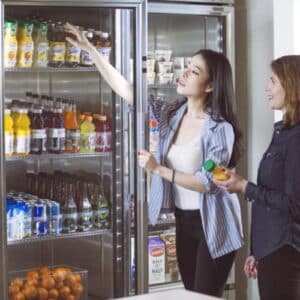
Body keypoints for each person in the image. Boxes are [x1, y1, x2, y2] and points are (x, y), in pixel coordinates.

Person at [64, 23, 244, 297]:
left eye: (194, 71)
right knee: (189, 293)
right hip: (184, 221)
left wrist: (158, 169)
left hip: (216, 224)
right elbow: (126, 89)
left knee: (204, 296)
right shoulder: (171, 114)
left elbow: (209, 183)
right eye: (188, 66)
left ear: (210, 86)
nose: (185, 73)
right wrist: (92, 51)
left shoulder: (220, 129)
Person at [214, 55, 300, 300]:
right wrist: (257, 251)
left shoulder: (296, 139)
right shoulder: (283, 131)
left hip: (286, 251)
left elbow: (294, 204)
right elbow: (268, 203)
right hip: (272, 250)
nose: (266, 87)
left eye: (273, 81)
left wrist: (243, 186)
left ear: (291, 85)